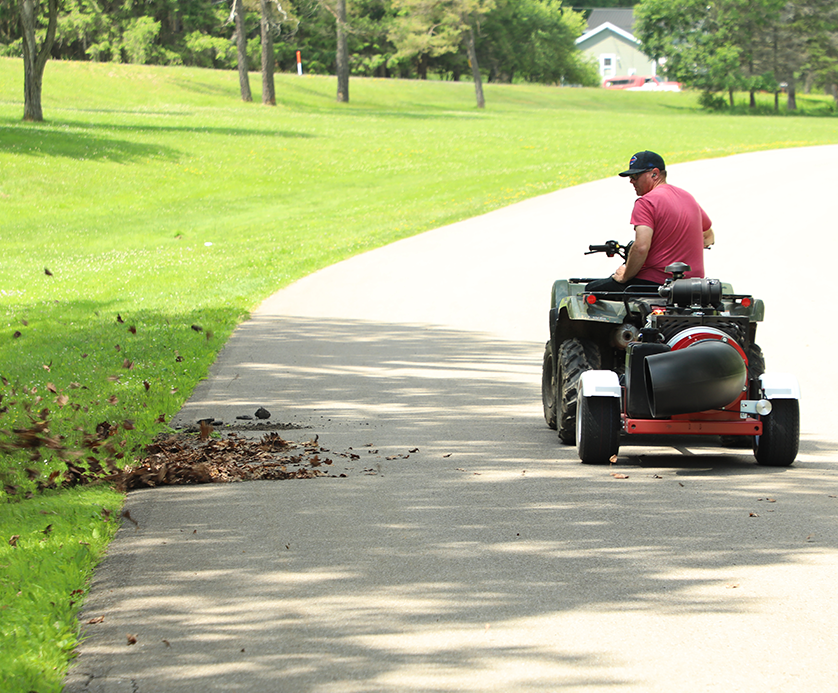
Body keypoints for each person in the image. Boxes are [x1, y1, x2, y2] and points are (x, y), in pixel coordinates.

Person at [586, 151, 715, 293]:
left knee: (590, 289)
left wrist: (625, 276)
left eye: (635, 176)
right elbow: (708, 236)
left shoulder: (646, 202)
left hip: (655, 283)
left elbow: (641, 247)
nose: (631, 181)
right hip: (693, 285)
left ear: (655, 174)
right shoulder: (687, 197)